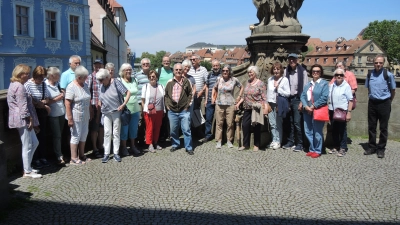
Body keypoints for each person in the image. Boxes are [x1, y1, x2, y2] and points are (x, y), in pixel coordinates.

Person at [7, 64, 42, 178]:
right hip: (22, 119)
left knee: (34, 142)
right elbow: (23, 105)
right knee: (27, 145)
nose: (28, 75)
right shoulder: (19, 86)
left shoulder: (14, 84)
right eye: (26, 73)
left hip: (19, 118)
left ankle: (28, 167)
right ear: (20, 74)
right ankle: (27, 171)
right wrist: (30, 119)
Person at [364, 54, 396, 158]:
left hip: (384, 103)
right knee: (372, 126)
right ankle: (372, 147)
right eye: (376, 62)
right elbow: (368, 88)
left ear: (383, 63)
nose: (378, 64)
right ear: (373, 63)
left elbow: (393, 90)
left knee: (383, 127)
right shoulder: (370, 74)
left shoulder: (388, 75)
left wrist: (389, 101)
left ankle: (381, 148)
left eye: (380, 62)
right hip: (372, 103)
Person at [97, 69, 131, 163]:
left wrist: (123, 104)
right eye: (99, 80)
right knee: (107, 133)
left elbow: (128, 92)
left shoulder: (116, 82)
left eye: (101, 80)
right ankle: (106, 153)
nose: (100, 82)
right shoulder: (102, 85)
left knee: (116, 132)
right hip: (106, 112)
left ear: (107, 77)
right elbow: (100, 98)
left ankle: (116, 153)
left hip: (116, 111)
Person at [65, 66, 93, 165]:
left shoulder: (85, 85)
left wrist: (91, 111)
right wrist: (69, 118)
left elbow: (88, 99)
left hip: (85, 114)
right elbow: (67, 103)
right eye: (84, 77)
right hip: (75, 115)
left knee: (84, 135)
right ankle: (73, 158)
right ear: (78, 77)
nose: (86, 78)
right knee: (75, 136)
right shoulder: (71, 86)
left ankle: (81, 154)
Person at [24, 66, 51, 169]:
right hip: (33, 113)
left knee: (42, 135)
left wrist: (44, 102)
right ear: (34, 76)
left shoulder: (43, 84)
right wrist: (42, 105)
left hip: (42, 113)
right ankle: (35, 159)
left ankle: (42, 156)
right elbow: (29, 100)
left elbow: (47, 97)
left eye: (43, 78)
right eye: (39, 78)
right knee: (34, 136)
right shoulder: (28, 85)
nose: (41, 80)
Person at [164, 63, 194, 155]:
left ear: (182, 71)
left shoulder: (187, 81)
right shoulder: (169, 82)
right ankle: (175, 144)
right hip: (172, 111)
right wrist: (168, 105)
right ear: (173, 71)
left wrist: (187, 106)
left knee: (186, 129)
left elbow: (191, 94)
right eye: (176, 70)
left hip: (184, 110)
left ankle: (188, 147)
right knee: (173, 129)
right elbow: (166, 95)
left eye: (180, 70)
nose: (178, 71)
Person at [300, 64, 329, 158]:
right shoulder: (308, 84)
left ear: (321, 73)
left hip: (317, 110)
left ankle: (318, 149)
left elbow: (324, 97)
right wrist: (305, 106)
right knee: (308, 130)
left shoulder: (324, 83)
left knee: (317, 131)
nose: (315, 73)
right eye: (314, 71)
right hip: (307, 110)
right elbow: (303, 96)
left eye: (318, 71)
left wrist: (313, 106)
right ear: (311, 73)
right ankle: (312, 148)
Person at [282, 53, 309, 152]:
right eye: (290, 59)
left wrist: (302, 102)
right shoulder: (286, 71)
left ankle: (300, 143)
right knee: (289, 122)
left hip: (298, 99)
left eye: (293, 59)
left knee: (297, 122)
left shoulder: (303, 72)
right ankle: (290, 141)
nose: (292, 61)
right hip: (288, 99)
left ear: (297, 60)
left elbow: (305, 88)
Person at [238, 66, 268, 152]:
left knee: (256, 127)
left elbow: (264, 97)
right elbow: (244, 95)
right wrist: (239, 103)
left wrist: (265, 108)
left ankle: (256, 145)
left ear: (255, 73)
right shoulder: (247, 82)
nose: (250, 74)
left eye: (251, 72)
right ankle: (245, 144)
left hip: (256, 108)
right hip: (247, 107)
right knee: (245, 125)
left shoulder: (260, 83)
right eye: (249, 72)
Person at [213, 65, 243, 149]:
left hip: (230, 104)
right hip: (219, 104)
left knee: (230, 123)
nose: (225, 72)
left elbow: (241, 87)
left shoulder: (234, 80)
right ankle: (219, 141)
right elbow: (214, 88)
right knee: (219, 123)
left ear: (229, 71)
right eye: (223, 70)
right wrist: (214, 97)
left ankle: (229, 140)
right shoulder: (219, 79)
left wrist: (239, 96)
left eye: (226, 70)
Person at [328, 68, 353, 157]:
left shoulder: (346, 86)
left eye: (341, 75)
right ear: (334, 76)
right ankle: (336, 145)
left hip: (342, 111)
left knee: (342, 130)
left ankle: (343, 147)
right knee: (334, 129)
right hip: (332, 110)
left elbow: (350, 100)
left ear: (343, 76)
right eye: (337, 75)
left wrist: (349, 112)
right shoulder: (332, 85)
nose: (339, 76)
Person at [266, 62, 290, 150]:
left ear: (281, 70)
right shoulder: (270, 79)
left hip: (278, 104)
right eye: (274, 69)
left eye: (278, 69)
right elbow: (268, 92)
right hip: (270, 103)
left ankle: (278, 141)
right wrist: (266, 103)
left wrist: (278, 88)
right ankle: (274, 139)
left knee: (278, 123)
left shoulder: (285, 80)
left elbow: (288, 93)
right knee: (272, 123)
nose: (276, 71)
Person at [119, 63, 141, 156]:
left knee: (133, 129)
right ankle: (124, 148)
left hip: (135, 108)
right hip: (125, 110)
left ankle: (133, 146)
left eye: (130, 69)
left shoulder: (135, 80)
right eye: (126, 70)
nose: (128, 71)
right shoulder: (119, 81)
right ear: (122, 71)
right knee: (124, 130)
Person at [45, 67, 66, 164]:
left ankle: (59, 152)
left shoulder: (58, 84)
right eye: (58, 75)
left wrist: (62, 95)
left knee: (60, 134)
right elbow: (46, 101)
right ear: (52, 76)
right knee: (57, 135)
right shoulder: (45, 85)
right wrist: (58, 98)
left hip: (61, 112)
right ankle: (58, 155)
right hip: (53, 114)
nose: (59, 76)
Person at [141, 70, 165, 153]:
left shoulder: (161, 86)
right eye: (150, 76)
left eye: (153, 76)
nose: (152, 78)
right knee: (149, 127)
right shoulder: (146, 86)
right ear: (148, 78)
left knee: (157, 127)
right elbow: (143, 100)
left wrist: (164, 110)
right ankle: (150, 144)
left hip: (159, 110)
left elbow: (164, 98)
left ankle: (155, 142)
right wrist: (145, 110)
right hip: (149, 111)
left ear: (157, 77)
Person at [86, 59, 104, 158]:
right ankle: (94, 148)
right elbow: (88, 93)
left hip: (104, 106)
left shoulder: (103, 77)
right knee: (94, 129)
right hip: (94, 106)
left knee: (101, 128)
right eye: (96, 66)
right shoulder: (90, 77)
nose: (98, 68)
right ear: (93, 66)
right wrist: (90, 108)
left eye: (99, 66)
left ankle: (100, 145)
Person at [187, 54, 208, 137]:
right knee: (192, 113)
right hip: (192, 95)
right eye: (191, 59)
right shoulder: (189, 69)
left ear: (199, 60)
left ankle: (200, 131)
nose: (192, 61)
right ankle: (192, 131)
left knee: (201, 113)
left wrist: (201, 91)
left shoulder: (204, 70)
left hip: (201, 96)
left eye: (194, 59)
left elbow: (207, 82)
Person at [133, 58, 151, 145]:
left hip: (150, 101)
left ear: (149, 65)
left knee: (149, 120)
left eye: (147, 64)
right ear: (141, 65)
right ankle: (140, 139)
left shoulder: (152, 74)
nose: (146, 65)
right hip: (140, 101)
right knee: (140, 120)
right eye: (144, 64)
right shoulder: (137, 75)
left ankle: (148, 138)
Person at [203, 59, 222, 142]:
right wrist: (206, 99)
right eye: (214, 66)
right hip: (210, 100)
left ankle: (219, 136)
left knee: (219, 119)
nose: (215, 67)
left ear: (219, 66)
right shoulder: (209, 75)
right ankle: (208, 135)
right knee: (208, 119)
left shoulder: (223, 75)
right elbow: (207, 87)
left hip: (220, 101)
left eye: (217, 65)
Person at [157, 56, 173, 142]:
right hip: (160, 97)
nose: (166, 62)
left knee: (169, 116)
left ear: (170, 62)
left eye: (168, 61)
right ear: (162, 62)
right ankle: (161, 135)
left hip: (170, 97)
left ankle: (169, 134)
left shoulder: (173, 71)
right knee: (161, 116)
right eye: (164, 61)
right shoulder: (158, 71)